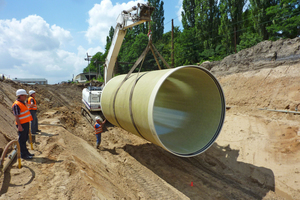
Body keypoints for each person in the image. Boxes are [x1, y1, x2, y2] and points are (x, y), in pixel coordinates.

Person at [12, 89, 34, 159]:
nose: (26, 97)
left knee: (25, 139)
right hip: (22, 124)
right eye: (24, 96)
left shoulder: (22, 103)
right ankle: (23, 155)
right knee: (22, 140)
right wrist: (19, 126)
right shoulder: (16, 105)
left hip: (26, 123)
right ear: (20, 96)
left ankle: (26, 152)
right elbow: (16, 116)